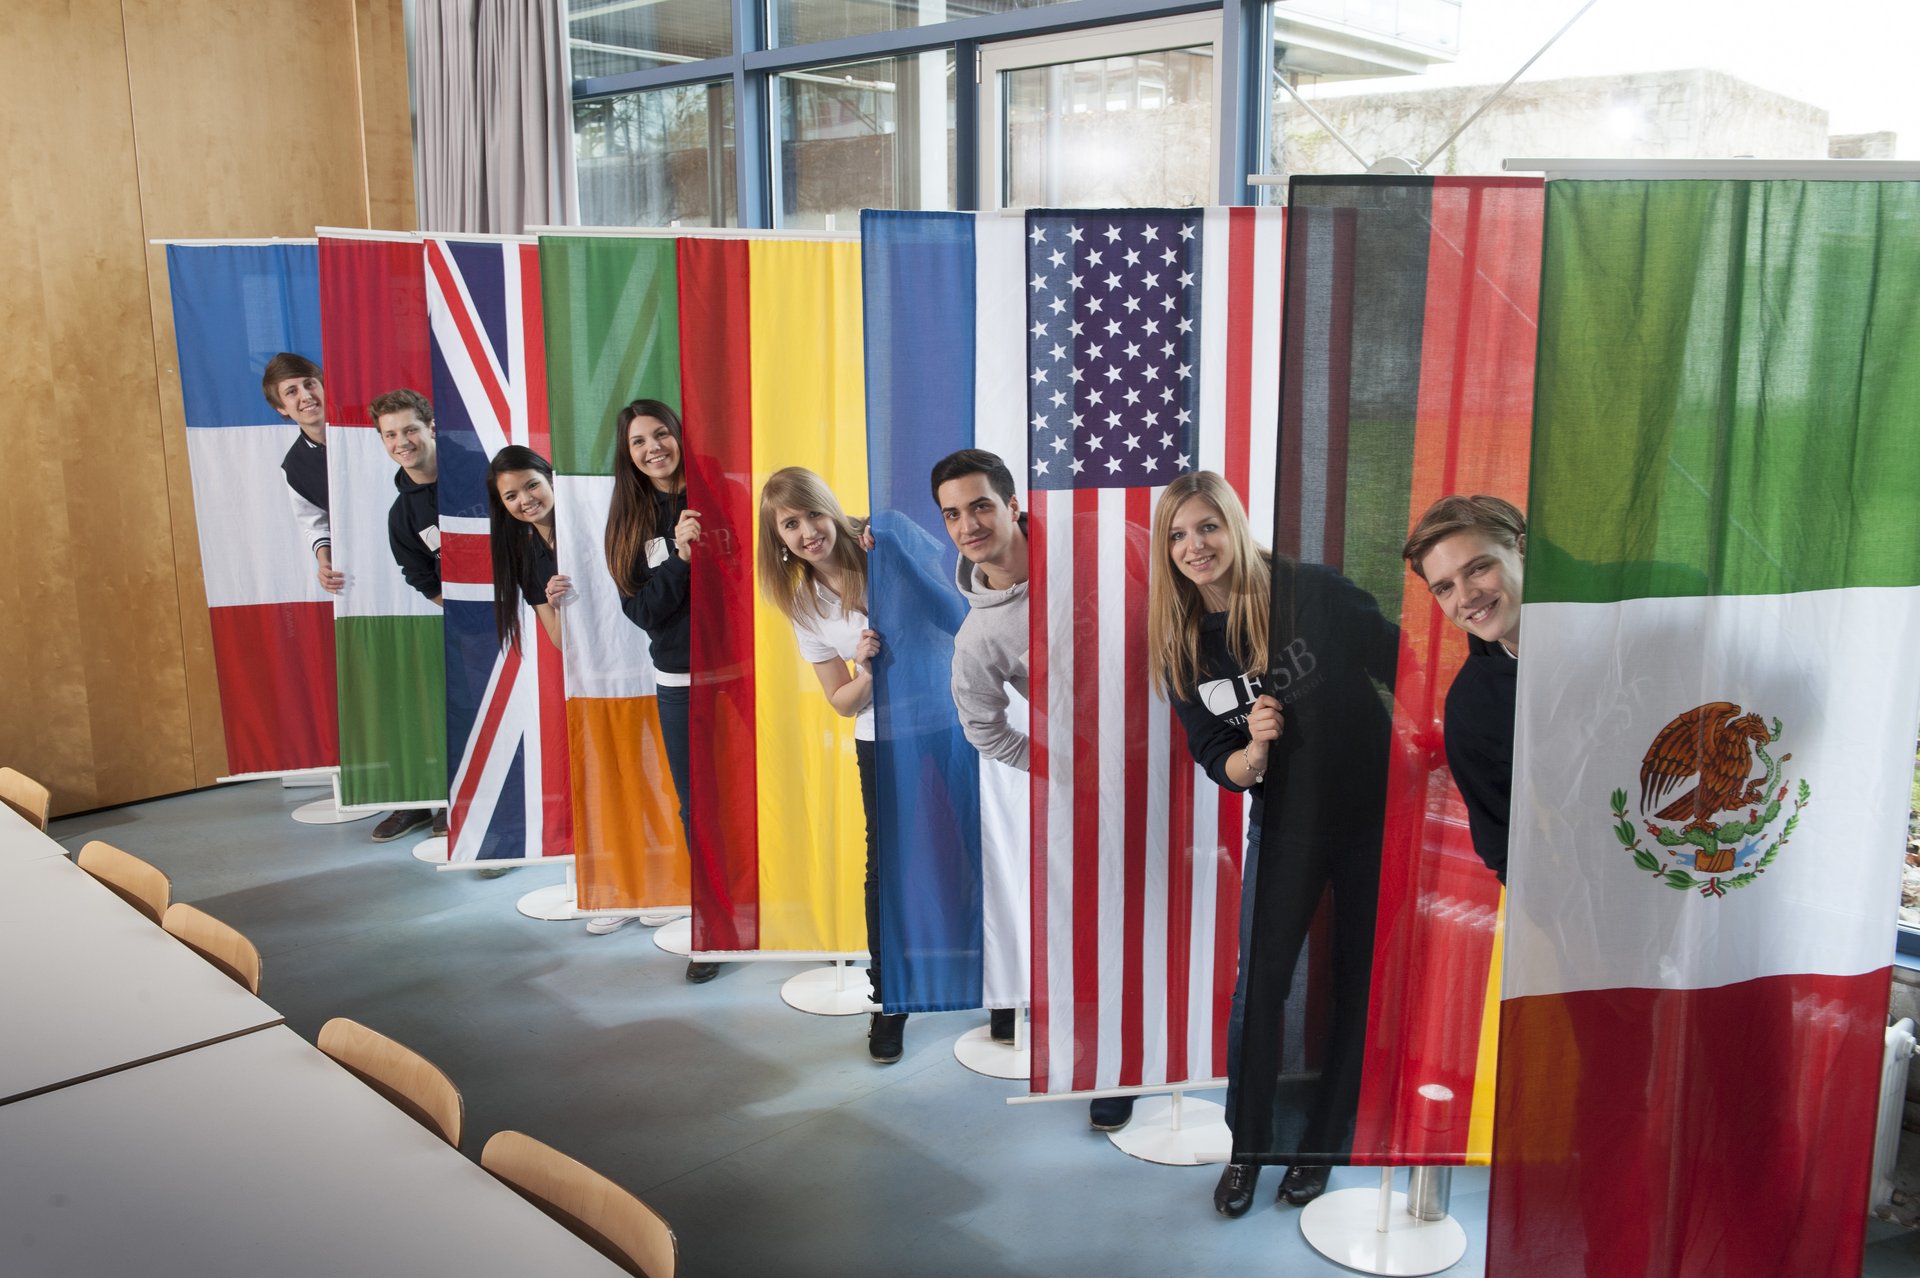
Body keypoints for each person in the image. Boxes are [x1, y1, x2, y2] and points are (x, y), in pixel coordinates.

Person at [1148, 471, 1397, 1213]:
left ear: (1233, 523)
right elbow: (1214, 758)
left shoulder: (1313, 591)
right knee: (1260, 990)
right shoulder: (1184, 645)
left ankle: (1322, 1148)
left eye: (1207, 527)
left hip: (1374, 815)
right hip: (1286, 821)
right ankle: (1249, 1150)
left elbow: (1406, 665)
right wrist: (1253, 755)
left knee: (1359, 984)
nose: (1195, 546)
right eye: (1179, 534)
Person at [928, 450, 1105, 1123]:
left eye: (979, 506)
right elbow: (983, 729)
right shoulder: (979, 636)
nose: (968, 524)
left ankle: (1196, 1039)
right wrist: (1064, 768)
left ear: (1012, 506)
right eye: (952, 514)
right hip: (1094, 788)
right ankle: (1109, 1065)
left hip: (1186, 756)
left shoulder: (1091, 544)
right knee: (1096, 918)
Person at [755, 467, 903, 1063]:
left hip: (953, 727)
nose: (808, 530)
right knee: (885, 871)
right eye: (790, 524)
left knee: (971, 853)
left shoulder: (882, 544)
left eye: (812, 513)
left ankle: (998, 993)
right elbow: (841, 702)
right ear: (779, 539)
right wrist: (867, 670)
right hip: (882, 739)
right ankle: (889, 1000)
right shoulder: (804, 605)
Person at [605, 399, 716, 979]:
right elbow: (644, 611)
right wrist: (679, 559)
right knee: (698, 805)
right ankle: (715, 927)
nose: (653, 448)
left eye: (661, 434)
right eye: (639, 442)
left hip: (745, 674)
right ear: (628, 456)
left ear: (679, 434)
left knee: (766, 791)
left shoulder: (719, 486)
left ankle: (791, 916)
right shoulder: (628, 519)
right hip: (680, 682)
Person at [1401, 495, 1526, 885]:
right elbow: (1503, 847)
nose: (1466, 597)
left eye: (1478, 568)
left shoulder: (1627, 617)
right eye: (1444, 588)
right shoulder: (1471, 707)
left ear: (1522, 550)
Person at [365, 388, 446, 843]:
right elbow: (420, 575)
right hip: (466, 627)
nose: (402, 441)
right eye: (391, 434)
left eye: (410, 429)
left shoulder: (482, 472)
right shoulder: (402, 515)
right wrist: (463, 612)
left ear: (431, 428)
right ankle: (447, 802)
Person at [264, 353, 343, 595]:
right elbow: (315, 524)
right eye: (292, 392)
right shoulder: (295, 467)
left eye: (310, 384)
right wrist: (325, 561)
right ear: (281, 408)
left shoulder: (371, 424)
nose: (306, 396)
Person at [485, 445, 568, 652]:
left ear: (550, 479)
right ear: (502, 504)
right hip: (597, 671)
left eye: (532, 485)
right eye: (511, 496)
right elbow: (559, 642)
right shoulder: (527, 561)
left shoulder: (594, 524)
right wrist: (560, 608)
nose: (526, 500)